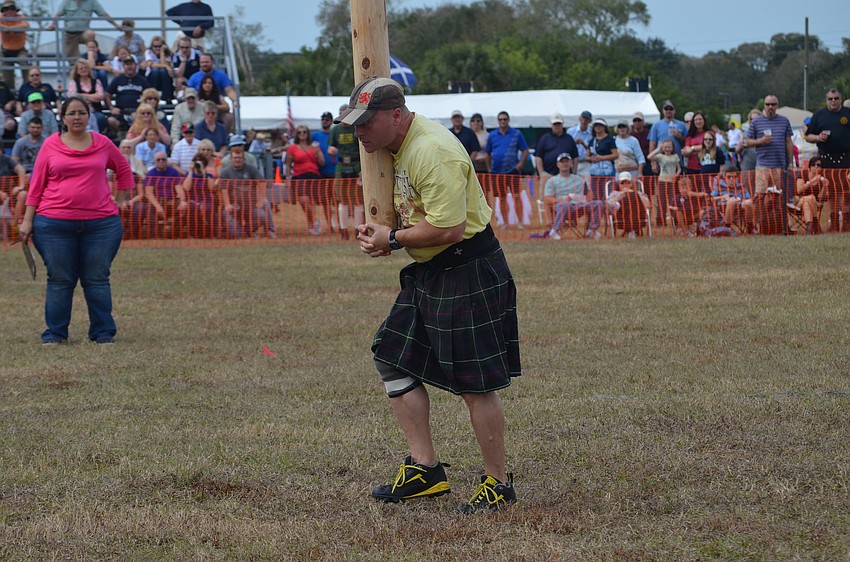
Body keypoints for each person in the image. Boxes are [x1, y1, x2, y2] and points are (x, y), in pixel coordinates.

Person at [340, 76, 520, 513]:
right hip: (433, 269)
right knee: (390, 356)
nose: (358, 132)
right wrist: (385, 231)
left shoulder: (431, 150)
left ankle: (498, 484)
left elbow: (448, 226)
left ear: (397, 115)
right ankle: (426, 471)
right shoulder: (394, 146)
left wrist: (393, 239)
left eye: (367, 122)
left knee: (474, 384)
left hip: (467, 265)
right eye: (355, 124)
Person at [19, 95, 132, 344]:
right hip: (53, 224)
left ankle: (102, 333)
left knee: (97, 278)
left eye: (81, 112)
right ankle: (56, 334)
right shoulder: (50, 145)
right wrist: (27, 221)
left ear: (88, 115)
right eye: (72, 113)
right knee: (60, 279)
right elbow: (36, 185)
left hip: (101, 225)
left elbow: (123, 169)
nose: (77, 117)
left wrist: (119, 199)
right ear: (64, 117)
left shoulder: (102, 143)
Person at [744, 94, 793, 233]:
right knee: (760, 197)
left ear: (777, 106)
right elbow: (747, 142)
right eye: (768, 104)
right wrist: (761, 141)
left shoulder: (784, 121)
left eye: (773, 104)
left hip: (780, 165)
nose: (770, 107)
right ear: (764, 106)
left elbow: (788, 142)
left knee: (780, 197)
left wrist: (790, 163)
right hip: (763, 166)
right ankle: (756, 226)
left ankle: (782, 226)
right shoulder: (756, 122)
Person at [804, 88, 850, 232]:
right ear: (826, 100)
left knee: (847, 192)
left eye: (836, 98)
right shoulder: (819, 115)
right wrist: (818, 137)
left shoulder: (848, 114)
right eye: (830, 99)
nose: (833, 101)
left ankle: (847, 223)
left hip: (847, 158)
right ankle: (834, 222)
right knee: (833, 191)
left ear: (840, 99)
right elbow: (807, 136)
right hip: (827, 159)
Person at [483, 110, 528, 228]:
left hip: (513, 171)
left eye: (505, 119)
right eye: (500, 119)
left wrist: (521, 164)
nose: (503, 121)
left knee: (517, 196)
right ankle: (505, 223)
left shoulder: (516, 134)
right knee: (502, 199)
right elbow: (487, 153)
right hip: (497, 172)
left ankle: (520, 222)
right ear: (498, 121)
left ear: (508, 120)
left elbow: (525, 150)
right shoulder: (492, 135)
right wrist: (489, 168)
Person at [545, 152, 604, 240]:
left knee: (598, 203)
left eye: (567, 161)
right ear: (558, 164)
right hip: (561, 207)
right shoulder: (552, 180)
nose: (564, 164)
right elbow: (547, 199)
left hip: (579, 206)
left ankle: (592, 230)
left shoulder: (580, 179)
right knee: (565, 204)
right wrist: (562, 199)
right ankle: (554, 231)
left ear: (571, 163)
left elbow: (589, 194)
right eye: (562, 162)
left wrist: (588, 197)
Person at [220, 144, 274, 238]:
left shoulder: (251, 169)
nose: (237, 160)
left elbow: (261, 183)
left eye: (240, 158)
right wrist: (228, 204)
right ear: (231, 159)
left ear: (244, 159)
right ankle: (241, 233)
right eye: (235, 158)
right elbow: (223, 189)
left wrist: (261, 199)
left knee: (264, 208)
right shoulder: (225, 172)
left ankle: (270, 231)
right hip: (234, 206)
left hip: (251, 205)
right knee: (236, 233)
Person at [285, 124, 326, 235]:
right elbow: (288, 165)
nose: (302, 134)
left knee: (311, 202)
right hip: (299, 176)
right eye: (299, 132)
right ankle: (314, 222)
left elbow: (322, 163)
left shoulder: (314, 146)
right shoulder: (292, 148)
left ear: (308, 133)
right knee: (304, 201)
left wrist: (318, 152)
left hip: (313, 175)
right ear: (296, 135)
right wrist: (287, 179)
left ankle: (311, 225)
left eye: (304, 132)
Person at [329, 105, 361, 239]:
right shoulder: (336, 130)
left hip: (357, 165)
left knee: (358, 201)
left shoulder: (357, 128)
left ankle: (358, 230)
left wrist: (361, 171)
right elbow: (331, 147)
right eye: (342, 114)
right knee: (342, 201)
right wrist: (331, 152)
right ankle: (344, 231)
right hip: (342, 165)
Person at [46, 0, 122, 58]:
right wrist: (53, 24)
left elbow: (103, 14)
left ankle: (92, 56)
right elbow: (58, 14)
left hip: (84, 32)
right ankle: (75, 71)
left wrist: (115, 25)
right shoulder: (67, 2)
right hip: (70, 34)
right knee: (71, 58)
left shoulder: (92, 2)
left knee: (90, 34)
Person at [186, 53, 238, 126]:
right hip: (198, 110)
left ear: (212, 62)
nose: (204, 64)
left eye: (207, 62)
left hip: (216, 110)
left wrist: (235, 100)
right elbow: (188, 93)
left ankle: (224, 136)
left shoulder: (221, 75)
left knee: (229, 117)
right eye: (202, 62)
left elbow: (229, 91)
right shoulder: (194, 77)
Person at [143, 149, 183, 237]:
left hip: (171, 200)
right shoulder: (150, 174)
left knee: (184, 207)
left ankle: (175, 234)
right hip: (157, 201)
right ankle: (155, 234)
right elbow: (149, 193)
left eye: (163, 159)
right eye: (158, 160)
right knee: (149, 208)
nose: (161, 161)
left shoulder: (173, 172)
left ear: (167, 161)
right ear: (155, 162)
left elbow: (179, 188)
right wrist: (158, 206)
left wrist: (182, 201)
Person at [104, 55, 150, 131]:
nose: (129, 67)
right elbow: (107, 94)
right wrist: (111, 108)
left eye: (131, 64)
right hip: (120, 111)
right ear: (123, 66)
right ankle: (120, 135)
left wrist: (142, 108)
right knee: (111, 120)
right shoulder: (118, 79)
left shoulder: (142, 80)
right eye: (127, 64)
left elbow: (149, 95)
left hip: (137, 111)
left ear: (135, 65)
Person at [534, 112, 578, 192]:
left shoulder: (569, 139)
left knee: (565, 200)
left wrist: (574, 171)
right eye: (555, 124)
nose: (557, 126)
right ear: (551, 125)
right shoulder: (544, 138)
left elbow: (575, 156)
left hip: (566, 176)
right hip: (548, 175)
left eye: (559, 123)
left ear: (562, 124)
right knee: (546, 200)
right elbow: (538, 156)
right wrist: (542, 173)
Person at [647, 139, 681, 227]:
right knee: (661, 201)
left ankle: (674, 220)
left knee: (672, 201)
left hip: (672, 181)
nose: (667, 149)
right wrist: (658, 149)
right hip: (662, 181)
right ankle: (660, 221)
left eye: (669, 147)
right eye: (665, 147)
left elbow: (679, 168)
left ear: (672, 147)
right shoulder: (660, 156)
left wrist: (676, 175)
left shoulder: (675, 156)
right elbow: (649, 157)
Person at [606, 171, 651, 238]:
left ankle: (631, 230)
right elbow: (608, 205)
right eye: (622, 183)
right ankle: (631, 231)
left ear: (631, 184)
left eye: (627, 182)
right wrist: (619, 197)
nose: (625, 185)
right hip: (620, 216)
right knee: (626, 198)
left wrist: (634, 194)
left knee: (632, 196)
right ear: (619, 184)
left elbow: (647, 205)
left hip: (638, 217)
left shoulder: (638, 193)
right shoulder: (614, 193)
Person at [66, 58, 106, 132]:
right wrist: (92, 96)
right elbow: (72, 97)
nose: (84, 70)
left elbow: (100, 96)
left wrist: (82, 95)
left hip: (95, 111)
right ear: (77, 71)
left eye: (85, 68)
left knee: (101, 118)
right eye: (81, 68)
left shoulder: (96, 82)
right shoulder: (73, 82)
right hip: (79, 112)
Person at [794, 156, 828, 235]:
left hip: (813, 204)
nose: (815, 167)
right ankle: (816, 224)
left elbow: (821, 198)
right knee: (810, 198)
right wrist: (811, 182)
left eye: (818, 165)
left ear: (821, 168)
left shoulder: (821, 179)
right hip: (798, 202)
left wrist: (824, 187)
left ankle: (809, 230)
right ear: (810, 166)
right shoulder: (803, 174)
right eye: (813, 164)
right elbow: (799, 190)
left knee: (807, 203)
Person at [587, 118, 618, 201]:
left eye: (600, 125)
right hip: (595, 173)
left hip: (608, 172)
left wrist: (602, 158)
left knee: (608, 195)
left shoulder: (610, 139)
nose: (598, 127)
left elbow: (615, 154)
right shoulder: (592, 141)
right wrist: (592, 158)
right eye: (596, 125)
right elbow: (587, 156)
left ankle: (609, 213)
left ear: (604, 127)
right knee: (596, 196)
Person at [0, 0, 29, 88]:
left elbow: (25, 26)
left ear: (15, 10)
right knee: (7, 76)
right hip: (6, 51)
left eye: (12, 8)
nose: (9, 11)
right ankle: (11, 95)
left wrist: (8, 29)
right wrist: (14, 29)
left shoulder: (20, 17)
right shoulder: (1, 17)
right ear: (4, 10)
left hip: (20, 50)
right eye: (7, 9)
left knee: (25, 64)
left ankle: (27, 88)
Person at [141, 35, 174, 103]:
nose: (157, 48)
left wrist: (162, 52)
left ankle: (167, 99)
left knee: (163, 72)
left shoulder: (167, 53)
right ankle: (152, 97)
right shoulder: (148, 52)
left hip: (164, 78)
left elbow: (165, 64)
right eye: (155, 46)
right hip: (152, 77)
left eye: (159, 46)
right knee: (155, 71)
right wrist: (166, 66)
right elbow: (151, 65)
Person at [0, 143, 25, 224]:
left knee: (23, 194)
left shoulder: (6, 159)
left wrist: (21, 186)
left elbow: (20, 169)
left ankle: (14, 224)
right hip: (1, 194)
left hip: (9, 194)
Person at [567, 110, 593, 181]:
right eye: (583, 118)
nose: (584, 121)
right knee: (573, 184)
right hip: (573, 162)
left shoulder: (592, 133)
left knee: (588, 185)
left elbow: (592, 149)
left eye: (586, 119)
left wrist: (583, 144)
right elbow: (566, 146)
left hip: (586, 163)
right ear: (579, 119)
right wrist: (573, 144)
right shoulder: (570, 131)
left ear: (590, 121)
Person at [681, 111, 709, 176]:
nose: (698, 121)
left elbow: (709, 146)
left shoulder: (709, 133)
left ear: (704, 120)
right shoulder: (690, 135)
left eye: (700, 119)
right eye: (696, 120)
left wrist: (693, 148)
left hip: (706, 166)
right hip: (692, 167)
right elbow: (687, 150)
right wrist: (701, 149)